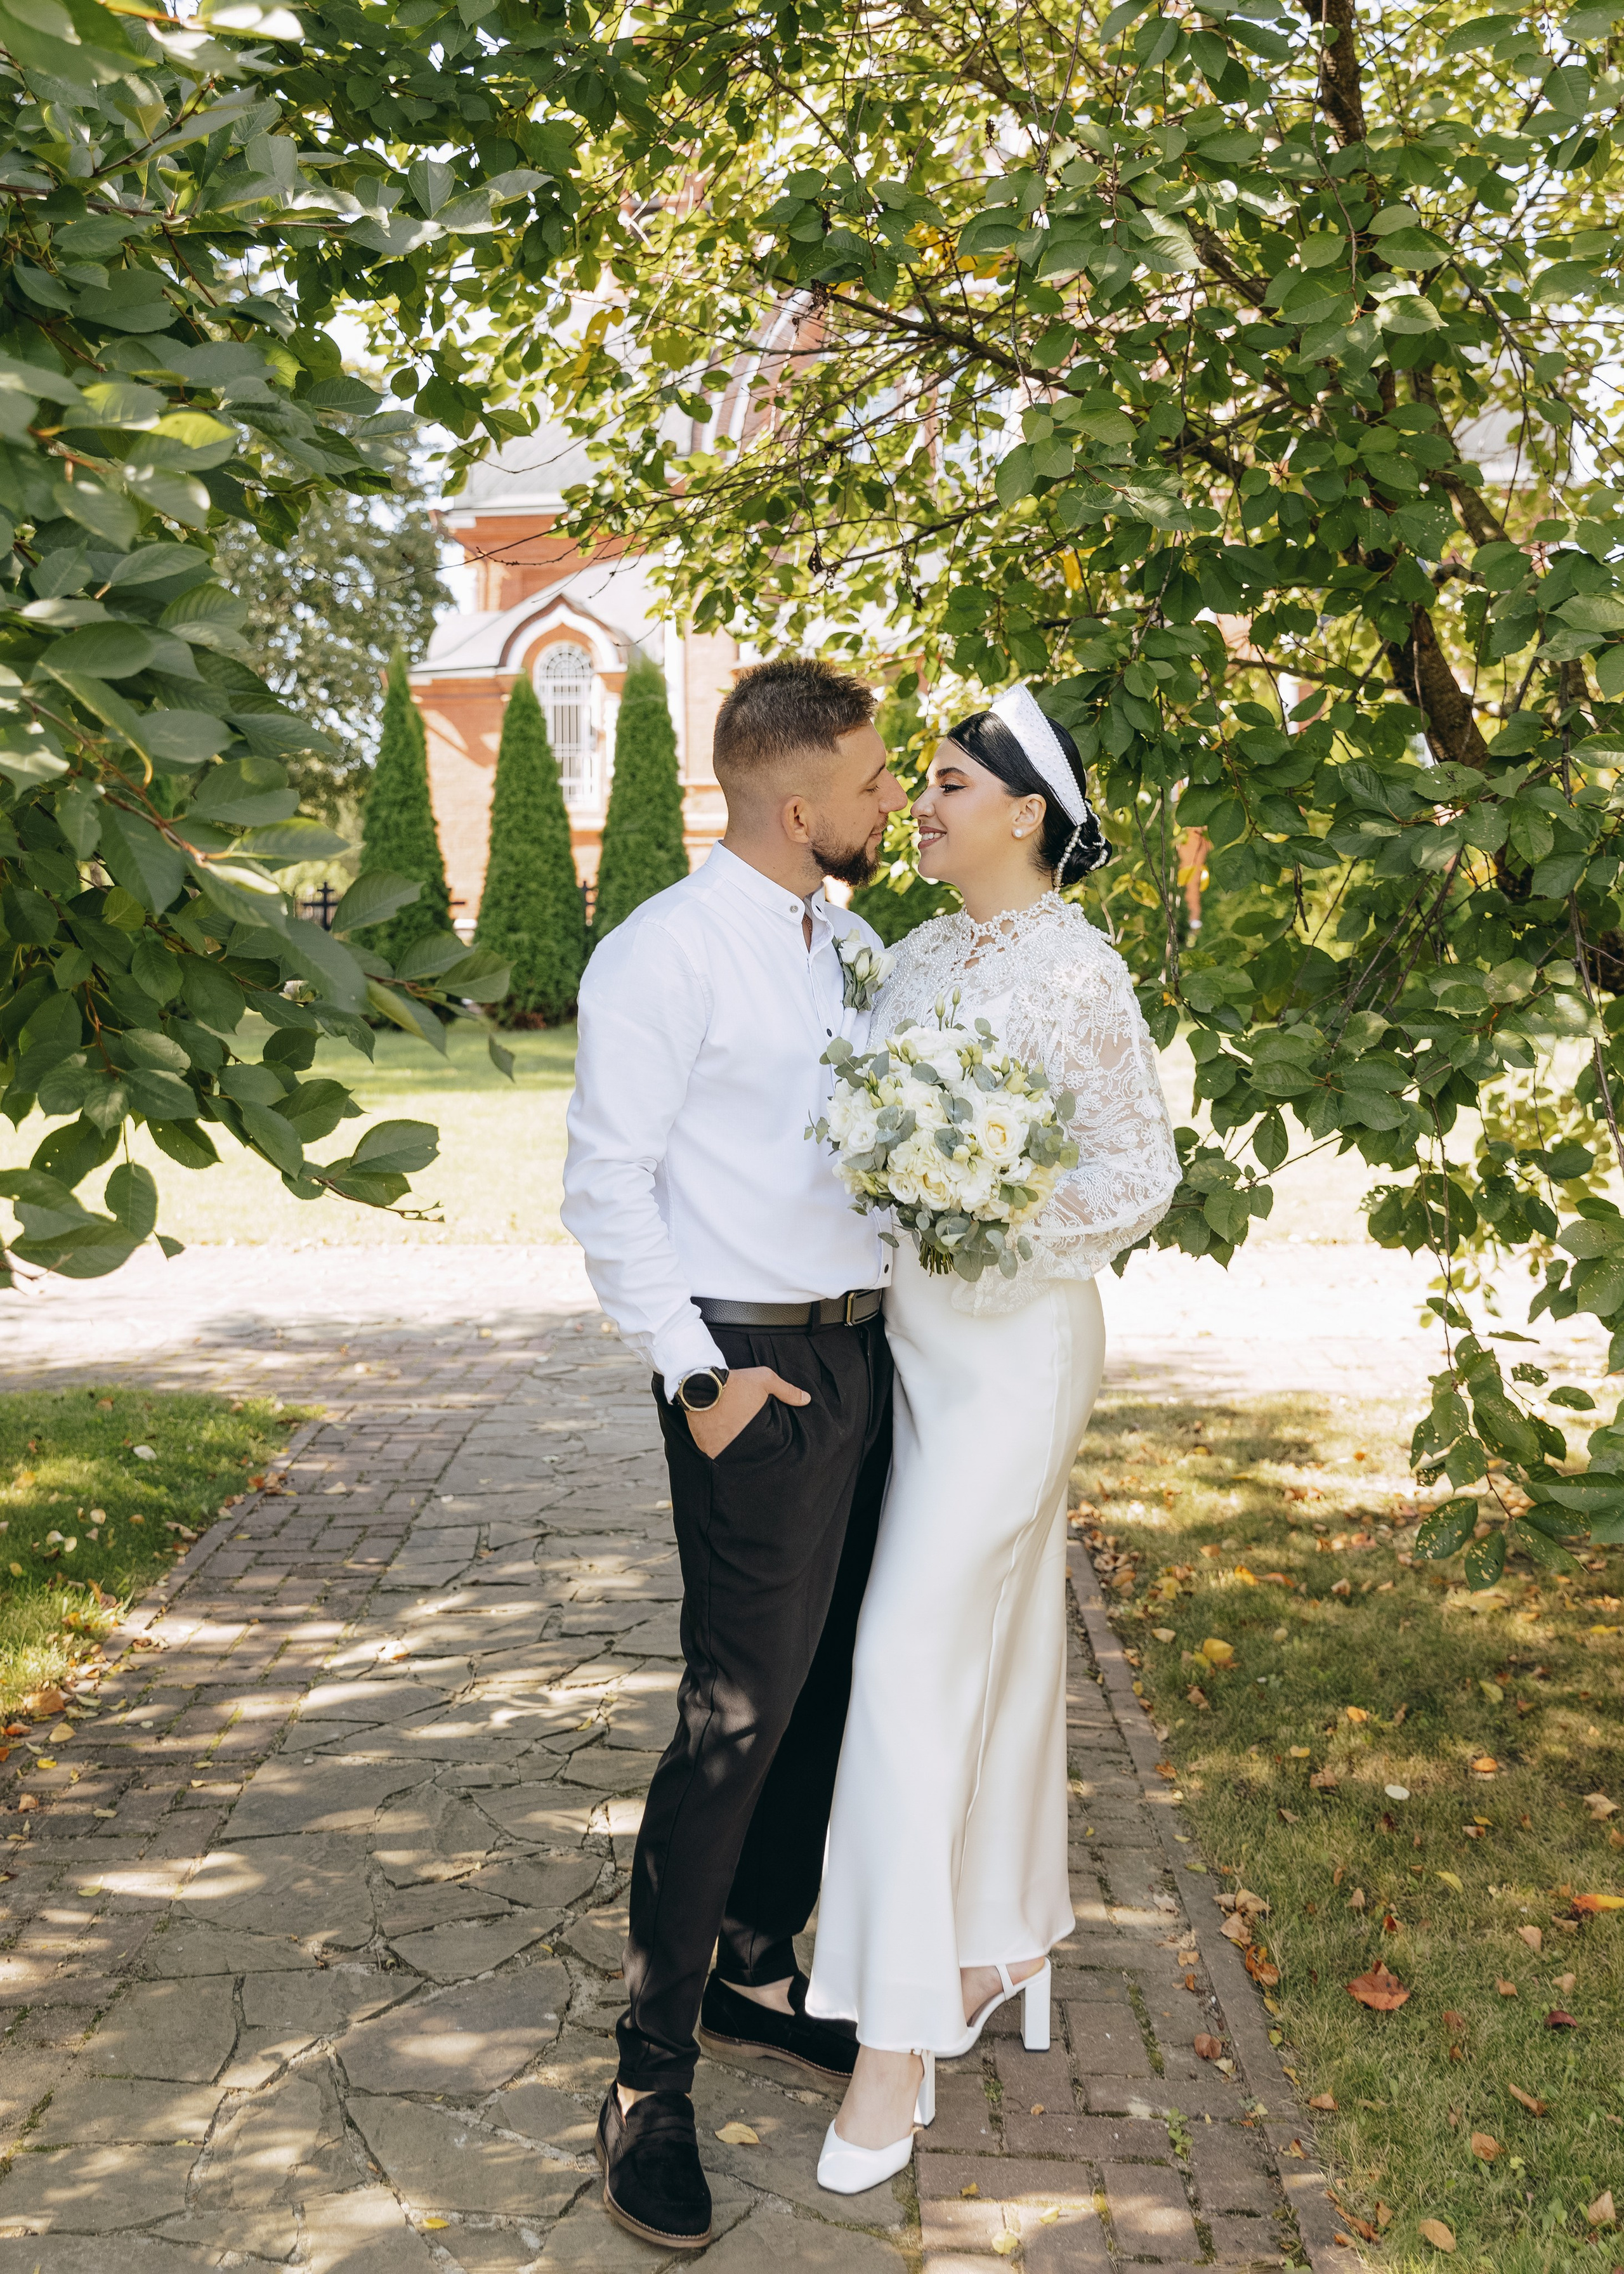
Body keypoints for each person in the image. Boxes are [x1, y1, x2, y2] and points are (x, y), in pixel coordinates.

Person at [806, 681, 1180, 2193]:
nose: (922, 802)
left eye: (949, 782)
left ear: (1025, 813)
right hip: (910, 1348)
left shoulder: (1080, 973)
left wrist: (990, 1218)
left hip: (1017, 1346)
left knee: (903, 1662)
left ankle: (893, 2039)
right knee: (1001, 1642)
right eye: (926, 783)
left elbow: (1136, 1171)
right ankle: (1005, 1936)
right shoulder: (906, 955)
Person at [561, 656, 908, 2249]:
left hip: (865, 1349)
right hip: (746, 1364)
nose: (891, 797)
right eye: (873, 777)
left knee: (837, 1680)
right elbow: (605, 1186)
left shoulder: (849, 942)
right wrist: (700, 1378)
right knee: (737, 1711)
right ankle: (648, 2074)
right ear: (796, 802)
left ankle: (760, 1967)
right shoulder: (660, 954)